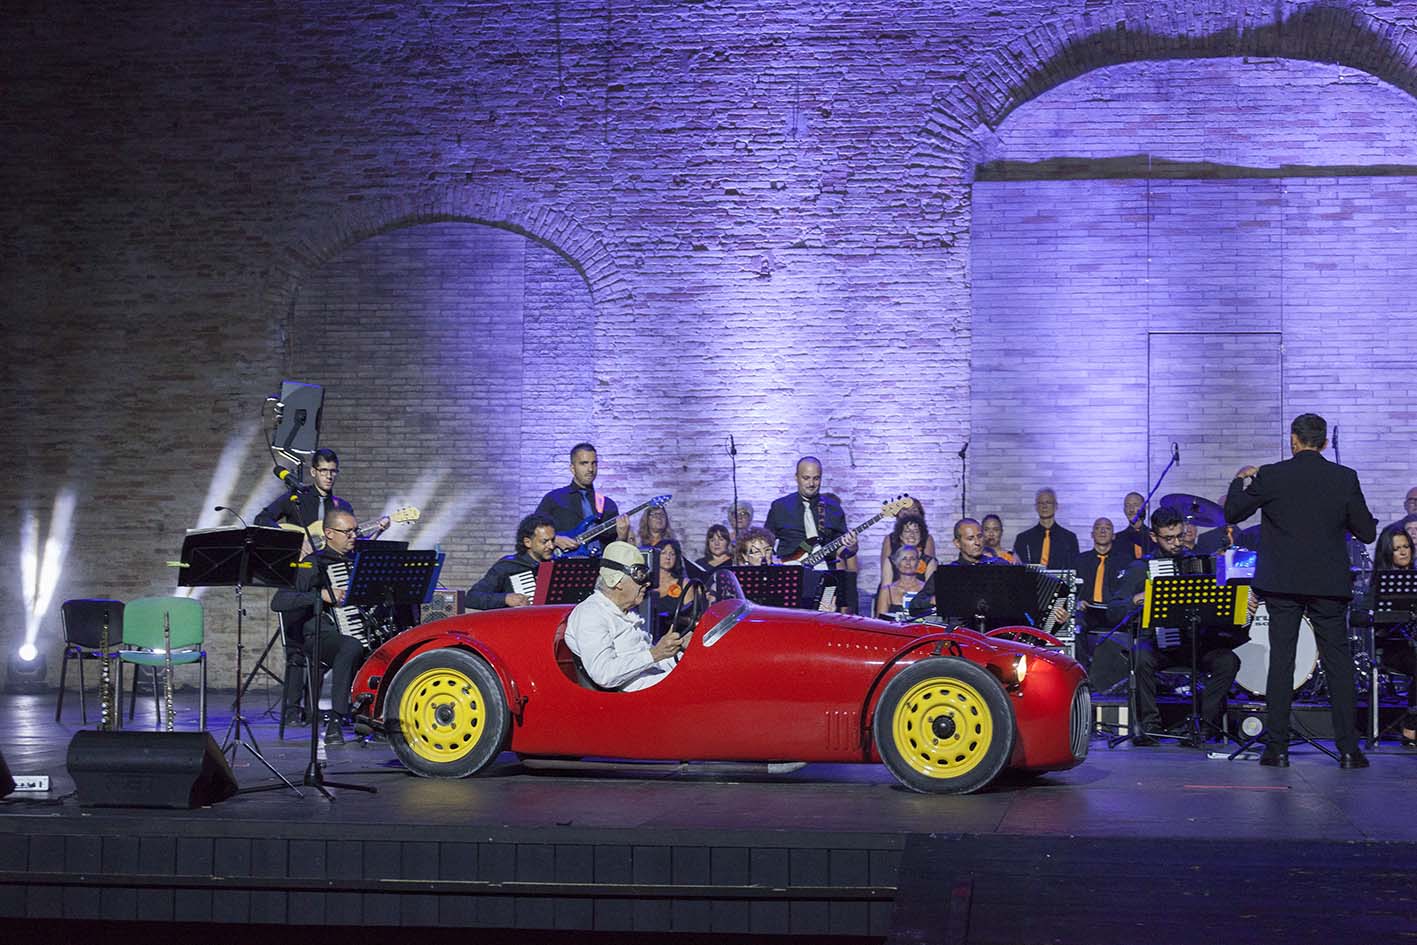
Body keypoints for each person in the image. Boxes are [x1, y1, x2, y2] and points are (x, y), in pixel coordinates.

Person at [1224, 412, 1378, 768]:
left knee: (1281, 662)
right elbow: (1366, 532)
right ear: (1323, 443)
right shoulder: (1344, 478)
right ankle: (1349, 750)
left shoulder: (1273, 475)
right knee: (1338, 664)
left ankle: (1276, 749)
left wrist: (1240, 480)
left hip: (1283, 585)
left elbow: (1233, 513)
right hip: (1328, 585)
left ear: (1293, 440)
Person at [1095, 507, 1241, 747]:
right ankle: (1150, 728)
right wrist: (1136, 598)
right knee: (1140, 656)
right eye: (1168, 538)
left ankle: (1204, 726)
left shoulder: (1199, 562)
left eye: (1179, 536)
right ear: (1154, 537)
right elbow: (1113, 610)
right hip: (1159, 645)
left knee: (1229, 661)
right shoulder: (1141, 568)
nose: (1175, 543)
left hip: (1195, 643)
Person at [269, 507, 369, 744]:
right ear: (329, 533)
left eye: (355, 531)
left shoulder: (358, 561)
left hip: (353, 629)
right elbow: (279, 601)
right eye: (348, 532)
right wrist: (320, 596)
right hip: (318, 636)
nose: (354, 536)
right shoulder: (312, 564)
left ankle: (376, 717)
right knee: (351, 646)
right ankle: (336, 719)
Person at [564, 542, 687, 691]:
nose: (647, 583)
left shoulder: (626, 613)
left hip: (657, 686)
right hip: (636, 701)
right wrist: (654, 654)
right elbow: (603, 674)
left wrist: (685, 655)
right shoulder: (591, 614)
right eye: (640, 576)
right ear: (617, 581)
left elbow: (656, 661)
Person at [254, 448, 389, 550]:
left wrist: (378, 530)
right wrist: (291, 540)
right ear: (313, 472)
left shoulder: (343, 507)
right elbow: (261, 519)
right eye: (323, 471)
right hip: (299, 568)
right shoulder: (296, 496)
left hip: (329, 569)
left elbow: (352, 543)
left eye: (333, 471)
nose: (329, 476)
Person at [1355, 525, 1417, 745]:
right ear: (1386, 552)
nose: (1403, 552)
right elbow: (1359, 617)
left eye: (1406, 546)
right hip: (1394, 649)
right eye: (1397, 548)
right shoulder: (1378, 585)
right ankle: (1411, 723)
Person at [535, 442, 630, 555]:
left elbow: (614, 551)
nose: (590, 469)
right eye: (584, 463)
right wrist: (555, 539)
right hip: (561, 565)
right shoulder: (554, 498)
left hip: (599, 568)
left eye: (594, 463)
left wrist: (622, 537)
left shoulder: (607, 505)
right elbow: (533, 532)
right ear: (572, 468)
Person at [764, 457, 857, 565]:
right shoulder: (779, 507)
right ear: (796, 477)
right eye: (806, 478)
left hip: (825, 575)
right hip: (791, 572)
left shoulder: (833, 508)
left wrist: (852, 547)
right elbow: (766, 542)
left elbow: (843, 553)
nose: (811, 483)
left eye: (816, 478)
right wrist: (773, 560)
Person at [465, 513, 556, 610]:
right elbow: (471, 598)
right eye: (544, 541)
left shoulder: (558, 565)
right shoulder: (507, 567)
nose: (551, 546)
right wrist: (505, 599)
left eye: (553, 540)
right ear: (527, 542)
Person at [1012, 488, 1079, 570]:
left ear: (1056, 506)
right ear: (1036, 507)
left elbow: (1074, 569)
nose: (1044, 506)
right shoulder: (1023, 538)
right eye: (1041, 503)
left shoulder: (1069, 538)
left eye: (1048, 502)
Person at [880, 512, 938, 583]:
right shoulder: (890, 561)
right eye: (907, 531)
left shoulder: (929, 561)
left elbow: (931, 589)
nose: (912, 535)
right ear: (900, 536)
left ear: (921, 536)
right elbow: (886, 587)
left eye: (916, 531)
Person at [875, 545, 925, 618]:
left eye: (912, 559)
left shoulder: (927, 589)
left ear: (918, 564)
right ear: (897, 564)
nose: (908, 563)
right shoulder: (886, 591)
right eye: (904, 559)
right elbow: (881, 621)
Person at [1116, 492, 1154, 559]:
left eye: (1135, 505)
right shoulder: (1116, 539)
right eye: (1127, 505)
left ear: (1145, 508)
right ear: (1124, 510)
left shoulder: (1154, 536)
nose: (1131, 509)